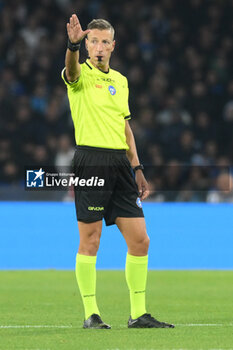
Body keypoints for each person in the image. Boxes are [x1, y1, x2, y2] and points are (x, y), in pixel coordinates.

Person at [62, 14, 174, 329]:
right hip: (91, 161)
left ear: (113, 46)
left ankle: (138, 314)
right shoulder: (78, 72)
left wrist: (137, 166)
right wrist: (71, 47)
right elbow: (70, 72)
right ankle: (90, 314)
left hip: (121, 166)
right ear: (85, 45)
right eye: (92, 41)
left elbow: (125, 127)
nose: (98, 47)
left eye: (104, 41)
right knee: (91, 240)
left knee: (141, 241)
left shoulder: (121, 81)